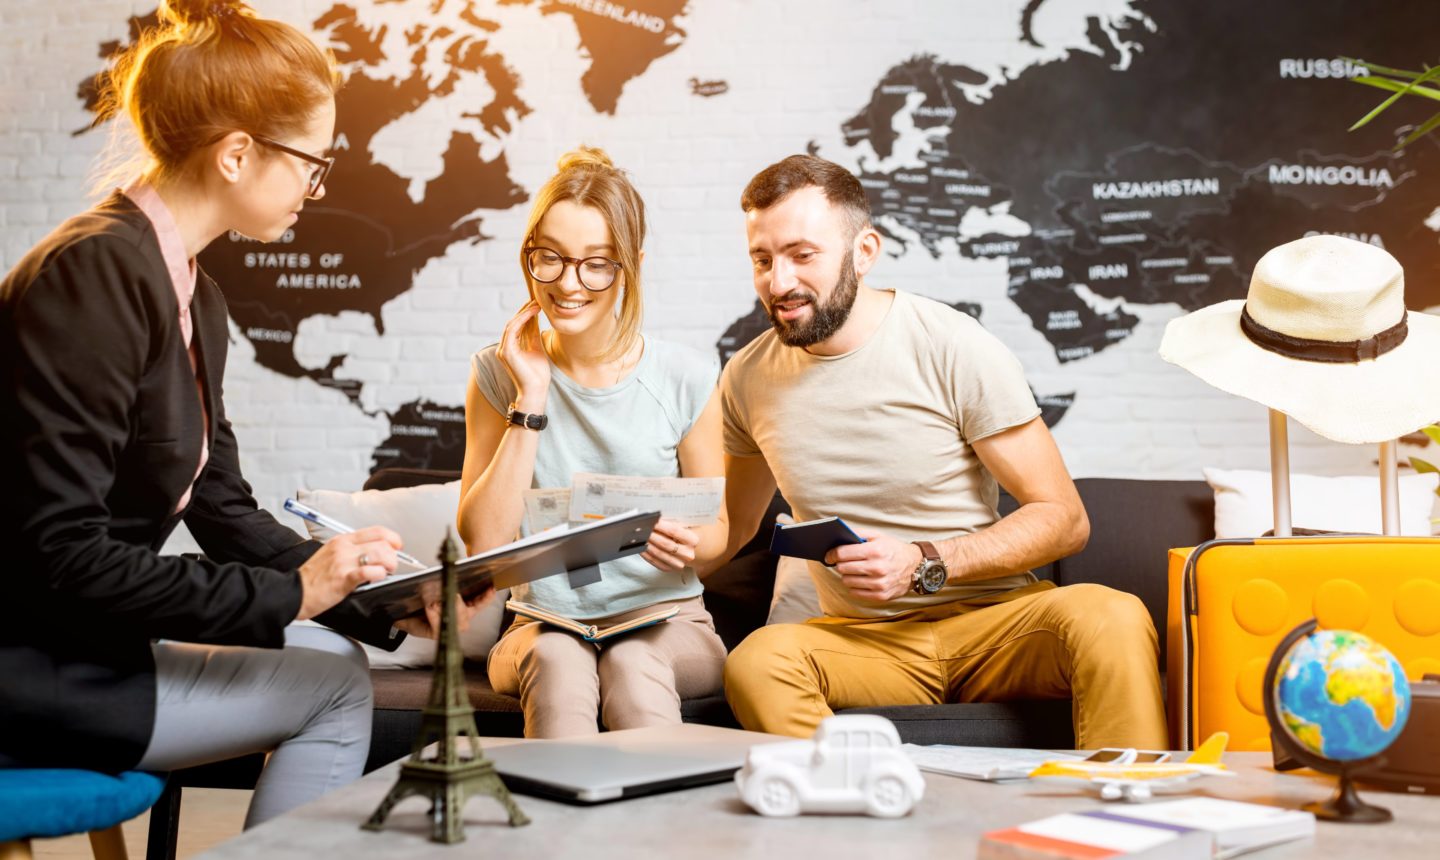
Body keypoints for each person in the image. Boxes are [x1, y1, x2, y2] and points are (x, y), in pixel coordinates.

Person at [0, 0, 482, 827]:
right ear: (236, 154)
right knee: (331, 688)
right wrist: (291, 595)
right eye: (311, 163)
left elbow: (220, 506)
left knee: (333, 648)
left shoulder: (193, 292)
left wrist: (376, 593)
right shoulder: (93, 276)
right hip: (31, 663)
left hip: (75, 642)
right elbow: (64, 554)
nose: (316, 186)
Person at [716, 154, 1167, 749]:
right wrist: (628, 553)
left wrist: (923, 559)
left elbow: (1065, 520)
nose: (779, 282)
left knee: (1112, 615)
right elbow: (730, 528)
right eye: (763, 259)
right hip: (867, 644)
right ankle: (863, 804)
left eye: (803, 255)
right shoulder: (747, 378)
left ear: (864, 251)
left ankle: (1133, 819)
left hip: (995, 625)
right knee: (758, 661)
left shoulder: (951, 342)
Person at [458, 146, 729, 739]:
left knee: (632, 663)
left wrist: (687, 543)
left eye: (596, 263)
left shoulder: (685, 376)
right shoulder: (497, 374)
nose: (569, 284)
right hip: (541, 622)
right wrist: (529, 398)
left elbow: (718, 533)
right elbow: (483, 540)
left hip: (667, 619)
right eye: (549, 258)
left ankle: (652, 828)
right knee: (557, 662)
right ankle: (560, 830)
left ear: (630, 264)